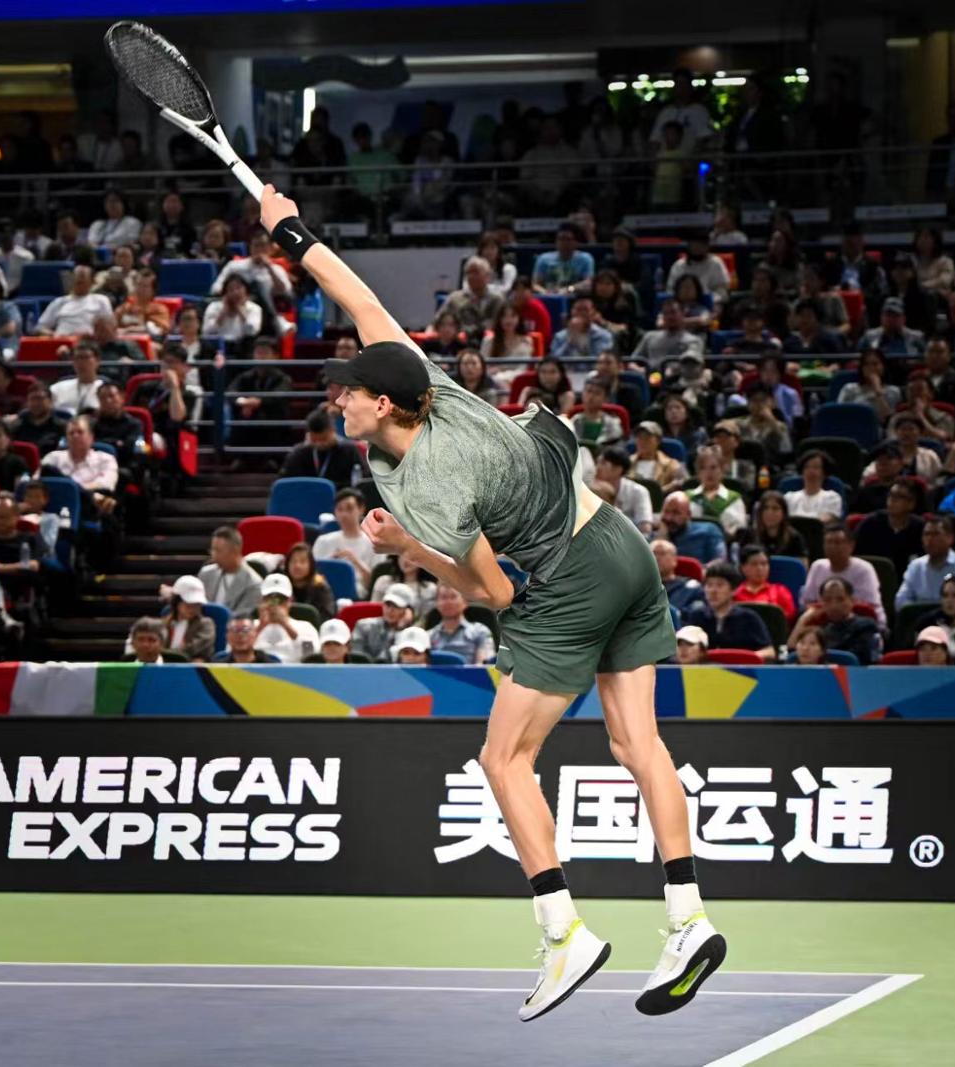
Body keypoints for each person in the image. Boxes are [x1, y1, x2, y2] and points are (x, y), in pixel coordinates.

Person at [261, 182, 719, 1018]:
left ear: (383, 404)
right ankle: (688, 919)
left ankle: (563, 930)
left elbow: (497, 590)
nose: (338, 397)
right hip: (621, 544)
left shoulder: (428, 484)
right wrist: (291, 233)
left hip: (571, 579)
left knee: (504, 759)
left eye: (348, 391)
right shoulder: (429, 382)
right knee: (637, 742)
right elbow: (361, 299)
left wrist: (408, 550)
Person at [680, 561, 774, 659]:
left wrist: (746, 658)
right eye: (709, 585)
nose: (713, 591)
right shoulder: (696, 616)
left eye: (720, 585)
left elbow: (769, 652)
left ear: (733, 590)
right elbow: (681, 649)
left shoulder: (749, 618)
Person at [790, 577, 880, 665]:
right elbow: (790, 652)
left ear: (852, 600)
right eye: (827, 600)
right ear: (821, 603)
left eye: (840, 599)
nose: (834, 606)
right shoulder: (821, 629)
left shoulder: (866, 627)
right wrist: (802, 620)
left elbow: (863, 660)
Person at [896, 517, 955, 608]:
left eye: (936, 534)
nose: (930, 539)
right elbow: (900, 601)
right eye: (926, 534)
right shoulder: (915, 566)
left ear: (950, 538)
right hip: (921, 616)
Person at [312, 487, 381, 592]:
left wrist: (355, 561)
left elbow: (376, 585)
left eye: (349, 509)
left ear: (361, 509)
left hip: (359, 595)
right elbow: (312, 575)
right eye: (340, 509)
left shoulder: (375, 544)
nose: (344, 514)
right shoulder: (323, 541)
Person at [281, 409, 366, 487]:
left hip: (341, 495)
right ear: (308, 434)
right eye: (314, 440)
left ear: (333, 430)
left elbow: (363, 478)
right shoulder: (298, 454)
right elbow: (285, 481)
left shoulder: (349, 451)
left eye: (324, 439)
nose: (319, 444)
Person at [252, 573, 319, 663]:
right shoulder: (250, 628)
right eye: (270, 599)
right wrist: (260, 627)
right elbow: (237, 654)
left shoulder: (306, 628)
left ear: (290, 601)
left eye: (280, 599)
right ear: (262, 600)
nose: (275, 604)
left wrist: (286, 626)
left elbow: (311, 656)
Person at [197, 525, 262, 617]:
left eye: (218, 551)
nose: (213, 555)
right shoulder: (205, 574)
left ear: (235, 551)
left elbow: (242, 615)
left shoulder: (253, 584)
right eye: (212, 549)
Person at [426, 585, 495, 664]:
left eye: (453, 597)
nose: (448, 602)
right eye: (444, 597)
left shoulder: (480, 632)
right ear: (437, 603)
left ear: (465, 601)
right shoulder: (428, 636)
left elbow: (484, 666)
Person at [155, 574, 216, 662]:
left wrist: (169, 655)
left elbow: (196, 647)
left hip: (189, 664)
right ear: (177, 603)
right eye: (188, 605)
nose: (192, 609)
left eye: (196, 605)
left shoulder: (205, 624)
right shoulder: (164, 623)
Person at [734, 545, 796, 623]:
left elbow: (789, 617)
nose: (759, 568)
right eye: (754, 564)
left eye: (764, 564)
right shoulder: (734, 593)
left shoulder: (780, 591)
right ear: (743, 568)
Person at [784, 450, 843, 522]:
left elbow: (825, 521)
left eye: (816, 467)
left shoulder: (832, 497)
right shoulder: (789, 497)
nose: (811, 471)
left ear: (824, 472)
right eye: (807, 467)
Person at [213, 615, 278, 664]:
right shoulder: (215, 667)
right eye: (235, 630)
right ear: (227, 636)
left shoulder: (272, 666)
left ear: (255, 635)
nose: (240, 635)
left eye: (245, 630)